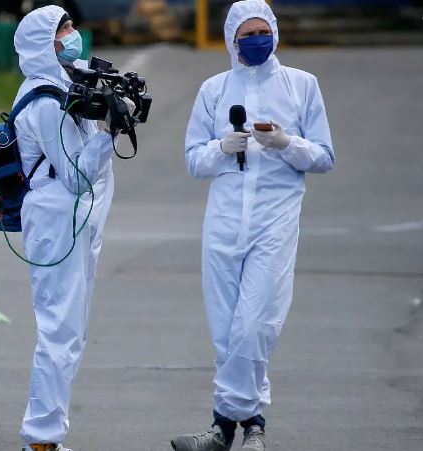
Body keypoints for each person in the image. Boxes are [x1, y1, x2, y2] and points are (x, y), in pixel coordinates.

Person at [171, 1, 334, 450]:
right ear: (232, 40)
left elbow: (324, 156)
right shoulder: (214, 90)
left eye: (264, 31)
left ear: (276, 33)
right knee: (226, 332)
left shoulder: (302, 85)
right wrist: (222, 147)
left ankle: (224, 424)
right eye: (248, 34)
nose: (258, 40)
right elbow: (193, 161)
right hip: (224, 221)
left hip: (275, 219)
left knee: (256, 325)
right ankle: (246, 428)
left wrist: (286, 142)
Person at [13, 6, 128, 451]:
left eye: (72, 25)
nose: (74, 34)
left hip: (71, 221)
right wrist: (109, 133)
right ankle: (41, 439)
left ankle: (49, 436)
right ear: (44, 43)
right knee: (59, 331)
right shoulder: (44, 101)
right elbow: (77, 175)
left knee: (70, 333)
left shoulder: (62, 84)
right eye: (64, 29)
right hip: (56, 223)